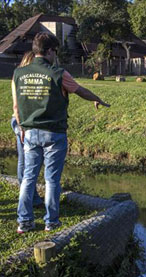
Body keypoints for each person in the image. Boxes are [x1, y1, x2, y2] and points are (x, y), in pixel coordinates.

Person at [12, 32, 110, 234]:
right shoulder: (58, 73)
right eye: (55, 51)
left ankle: (24, 221)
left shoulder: (18, 74)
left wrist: (21, 128)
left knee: (29, 178)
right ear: (48, 51)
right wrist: (96, 98)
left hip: (29, 132)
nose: (55, 55)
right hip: (53, 133)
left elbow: (16, 106)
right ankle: (51, 222)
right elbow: (79, 90)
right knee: (51, 179)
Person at [10, 51, 43, 207]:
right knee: (26, 162)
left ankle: (29, 195)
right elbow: (17, 106)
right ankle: (30, 198)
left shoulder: (18, 77)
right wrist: (21, 125)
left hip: (21, 121)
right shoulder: (27, 78)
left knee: (25, 161)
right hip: (22, 122)